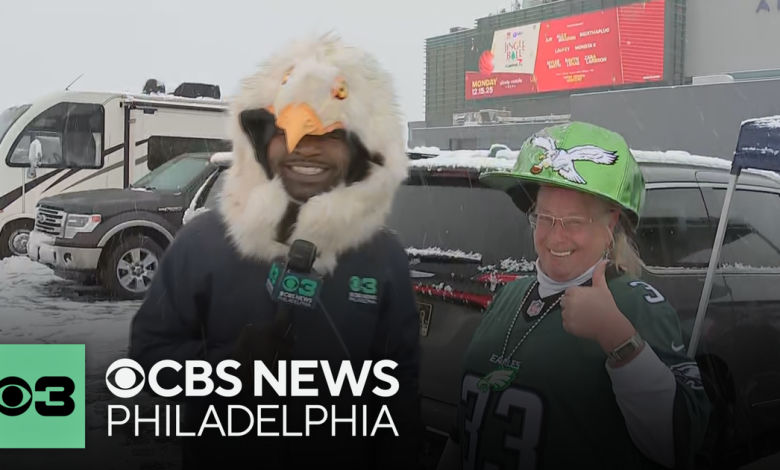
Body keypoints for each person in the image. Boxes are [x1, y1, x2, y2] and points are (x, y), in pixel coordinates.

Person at [127, 33, 422, 469]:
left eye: (329, 132)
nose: (306, 147)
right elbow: (149, 360)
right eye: (289, 128)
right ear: (264, 141)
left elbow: (399, 396)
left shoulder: (384, 258)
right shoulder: (202, 244)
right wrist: (225, 368)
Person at [436, 121, 711, 470]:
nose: (555, 237)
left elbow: (678, 442)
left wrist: (618, 338)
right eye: (545, 217)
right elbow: (465, 427)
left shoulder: (635, 306)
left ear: (610, 225)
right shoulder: (511, 296)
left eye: (574, 221)